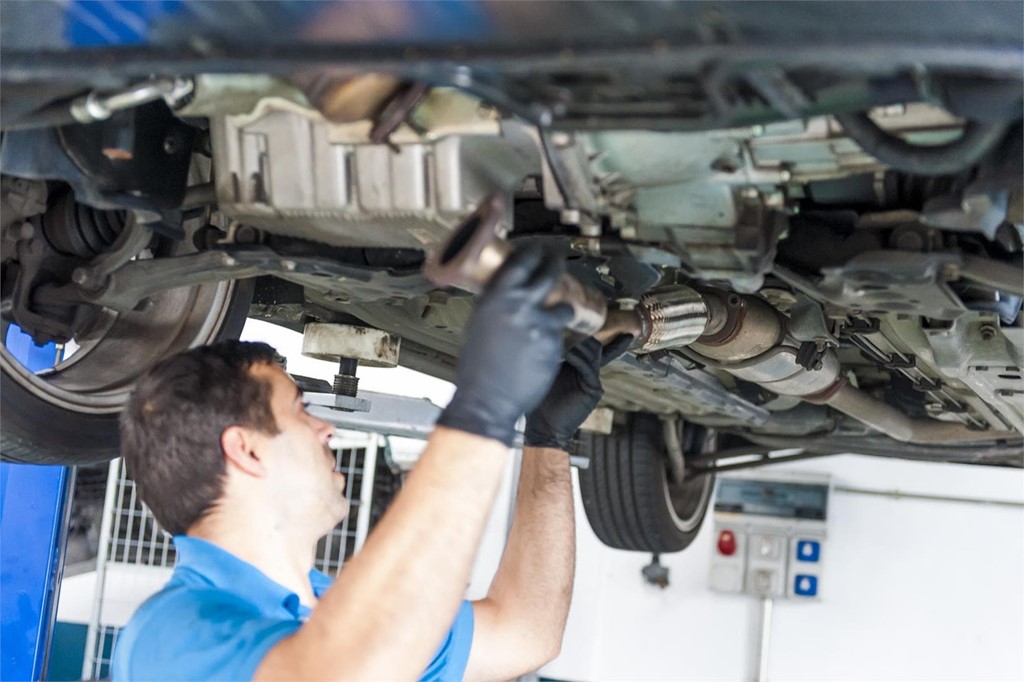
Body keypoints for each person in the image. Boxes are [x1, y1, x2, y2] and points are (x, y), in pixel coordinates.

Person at [111, 246, 631, 681]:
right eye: (299, 411)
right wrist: (481, 408)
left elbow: (525, 632)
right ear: (247, 450)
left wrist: (547, 436)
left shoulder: (333, 611)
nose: (327, 428)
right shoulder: (172, 635)